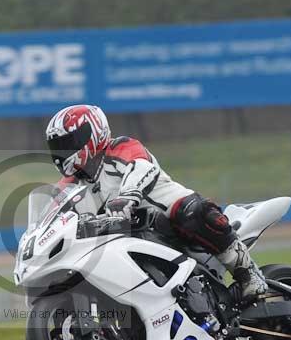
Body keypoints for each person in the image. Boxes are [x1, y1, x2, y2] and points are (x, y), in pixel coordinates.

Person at [45, 104, 267, 300]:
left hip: (168, 219)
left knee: (192, 211)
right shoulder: (72, 184)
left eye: (68, 142)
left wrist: (127, 196)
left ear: (92, 134)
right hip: (130, 237)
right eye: (58, 146)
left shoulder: (121, 148)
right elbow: (55, 211)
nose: (62, 152)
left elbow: (141, 166)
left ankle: (248, 273)